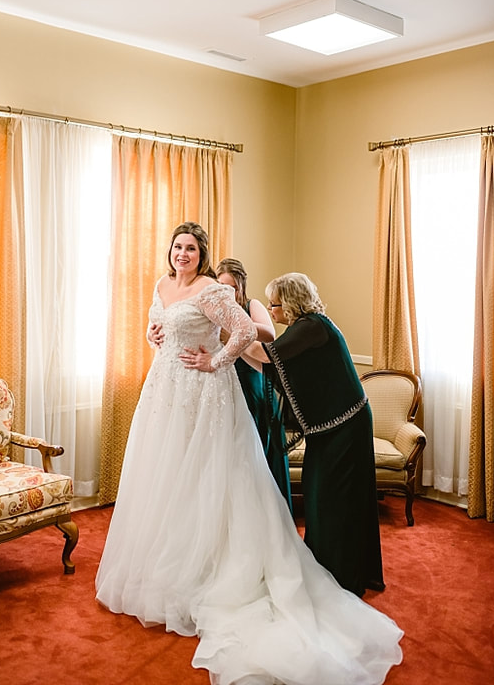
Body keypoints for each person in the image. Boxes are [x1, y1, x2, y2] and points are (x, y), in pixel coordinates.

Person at [96, 221, 402, 685]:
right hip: (163, 391)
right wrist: (153, 336)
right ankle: (171, 563)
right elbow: (156, 322)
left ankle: (223, 570)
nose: (183, 254)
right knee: (170, 476)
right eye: (177, 247)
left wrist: (214, 360)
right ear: (170, 251)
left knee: (212, 476)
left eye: (192, 248)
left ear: (203, 254)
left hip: (204, 391)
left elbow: (243, 332)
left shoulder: (212, 290)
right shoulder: (162, 283)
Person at [242, 272, 385, 597]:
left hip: (346, 426)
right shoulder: (304, 329)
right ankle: (323, 564)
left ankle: (343, 573)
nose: (270, 310)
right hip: (329, 427)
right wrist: (238, 346)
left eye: (274, 303)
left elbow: (267, 355)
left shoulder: (313, 326)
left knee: (337, 497)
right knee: (319, 491)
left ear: (290, 303)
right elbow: (274, 367)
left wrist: (231, 336)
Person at [215, 257, 292, 512]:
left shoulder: (251, 306)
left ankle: (263, 512)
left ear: (241, 287)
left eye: (232, 287)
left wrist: (234, 330)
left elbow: (269, 335)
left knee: (255, 451)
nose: (228, 293)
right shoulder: (213, 310)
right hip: (222, 388)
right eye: (222, 286)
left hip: (251, 385)